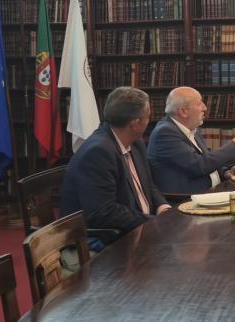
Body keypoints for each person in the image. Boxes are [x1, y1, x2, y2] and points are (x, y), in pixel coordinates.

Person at [60, 87, 170, 249]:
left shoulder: (135, 142)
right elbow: (104, 212)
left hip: (137, 228)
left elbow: (148, 184)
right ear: (136, 123)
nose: (149, 121)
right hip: (105, 239)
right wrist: (154, 223)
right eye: (148, 116)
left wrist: (163, 208)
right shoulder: (98, 153)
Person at [148, 87, 235, 194]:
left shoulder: (191, 129)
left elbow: (208, 161)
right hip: (187, 200)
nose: (205, 108)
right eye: (199, 103)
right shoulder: (165, 133)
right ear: (183, 112)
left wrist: (227, 171)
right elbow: (199, 165)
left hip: (211, 193)